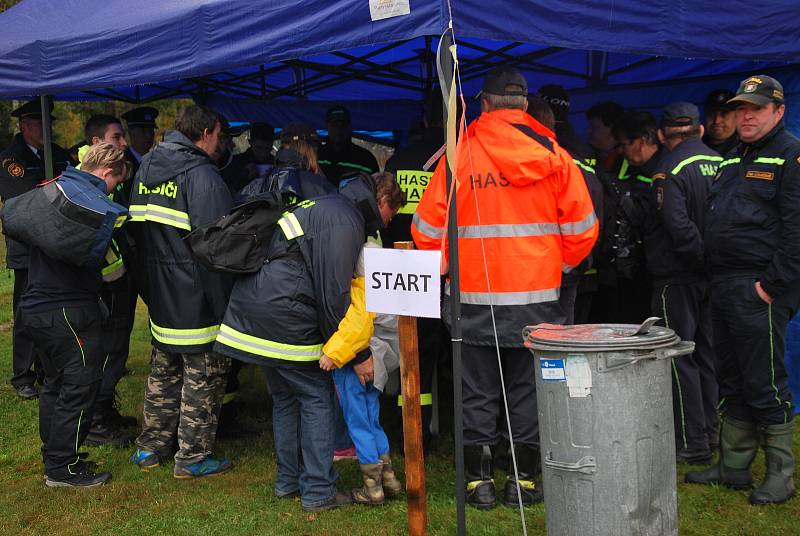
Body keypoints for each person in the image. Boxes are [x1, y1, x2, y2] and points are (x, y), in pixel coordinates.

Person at [412, 67, 598, 509]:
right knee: (529, 390)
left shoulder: (460, 157)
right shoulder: (556, 156)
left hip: (474, 299)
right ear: (526, 105)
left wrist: (447, 271)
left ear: (484, 103)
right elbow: (584, 229)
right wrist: (556, 268)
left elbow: (425, 228)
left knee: (477, 391)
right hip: (537, 300)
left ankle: (479, 484)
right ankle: (525, 481)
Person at [214, 174, 386, 512]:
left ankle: (288, 482)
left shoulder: (321, 206)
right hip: (286, 315)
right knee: (317, 397)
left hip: (256, 307)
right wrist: (358, 353)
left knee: (285, 400)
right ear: (376, 202)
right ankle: (319, 491)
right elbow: (332, 292)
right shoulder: (345, 218)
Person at [686, 75, 799, 505]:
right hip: (724, 284)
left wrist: (770, 287)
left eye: (755, 108)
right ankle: (733, 467)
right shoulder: (733, 157)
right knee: (731, 376)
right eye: (741, 108)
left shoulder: (790, 156)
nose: (745, 115)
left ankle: (780, 475)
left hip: (759, 288)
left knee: (764, 380)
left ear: (779, 111)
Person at [128, 105, 234, 479]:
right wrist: (226, 309)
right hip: (196, 297)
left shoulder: (146, 167)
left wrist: (151, 289)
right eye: (220, 135)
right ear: (204, 133)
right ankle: (192, 457)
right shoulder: (202, 176)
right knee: (203, 376)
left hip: (160, 294)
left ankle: (150, 447)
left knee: (165, 369)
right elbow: (219, 249)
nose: (221, 143)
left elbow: (135, 236)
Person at [20, 143, 128, 487]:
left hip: (35, 306)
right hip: (68, 310)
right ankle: (62, 469)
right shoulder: (90, 208)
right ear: (108, 173)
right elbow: (113, 273)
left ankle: (55, 455)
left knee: (54, 383)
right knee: (79, 386)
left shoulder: (54, 191)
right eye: (115, 183)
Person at [319, 172, 405, 505]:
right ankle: (388, 477)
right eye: (391, 213)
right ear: (381, 201)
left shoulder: (358, 246)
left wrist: (341, 354)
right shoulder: (371, 244)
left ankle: (372, 488)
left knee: (358, 421)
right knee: (372, 416)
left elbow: (357, 313)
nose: (389, 220)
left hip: (362, 349)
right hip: (380, 347)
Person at [645, 102, 721, 464]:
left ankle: (693, 442)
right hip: (713, 276)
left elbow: (677, 225)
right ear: (701, 130)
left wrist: (699, 257)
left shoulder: (668, 169)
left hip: (677, 277)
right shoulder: (721, 163)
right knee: (706, 354)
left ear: (661, 135)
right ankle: (710, 431)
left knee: (678, 357)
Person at [382, 90, 448, 451]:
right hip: (439, 268)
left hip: (399, 268)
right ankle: (425, 429)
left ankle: (404, 426)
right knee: (430, 351)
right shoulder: (456, 158)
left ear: (423, 120)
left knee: (404, 349)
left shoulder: (398, 161)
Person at [0, 99, 73, 400]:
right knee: (27, 311)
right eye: (37, 123)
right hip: (27, 248)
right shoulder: (10, 160)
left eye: (47, 123)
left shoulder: (55, 153)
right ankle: (23, 375)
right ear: (23, 125)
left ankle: (49, 368)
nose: (45, 128)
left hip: (56, 243)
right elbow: (25, 199)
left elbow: (72, 184)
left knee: (56, 308)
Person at [76, 115, 139, 447]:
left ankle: (104, 409)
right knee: (106, 349)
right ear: (98, 142)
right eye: (118, 136)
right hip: (104, 280)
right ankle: (96, 420)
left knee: (117, 346)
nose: (124, 142)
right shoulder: (89, 174)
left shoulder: (106, 168)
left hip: (116, 275)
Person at [530, 94, 603, 325]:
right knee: (559, 346)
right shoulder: (578, 158)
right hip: (565, 272)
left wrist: (562, 267)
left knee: (541, 346)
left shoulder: (562, 163)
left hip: (543, 273)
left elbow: (588, 225)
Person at [596, 111, 664, 324]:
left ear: (642, 141)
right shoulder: (629, 168)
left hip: (654, 265)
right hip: (631, 269)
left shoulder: (663, 170)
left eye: (625, 144)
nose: (621, 151)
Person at [318, 105, 379, 187]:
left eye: (343, 124)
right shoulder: (317, 156)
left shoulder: (366, 159)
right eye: (335, 125)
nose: (339, 129)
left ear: (350, 127)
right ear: (327, 127)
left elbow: (376, 190)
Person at [586, 101, 624, 172]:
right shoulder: (588, 155)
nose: (589, 131)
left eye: (594, 127)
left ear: (612, 128)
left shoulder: (628, 160)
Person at [702, 89, 739, 157]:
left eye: (724, 114)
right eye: (712, 114)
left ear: (737, 116)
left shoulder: (745, 149)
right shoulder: (696, 147)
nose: (717, 121)